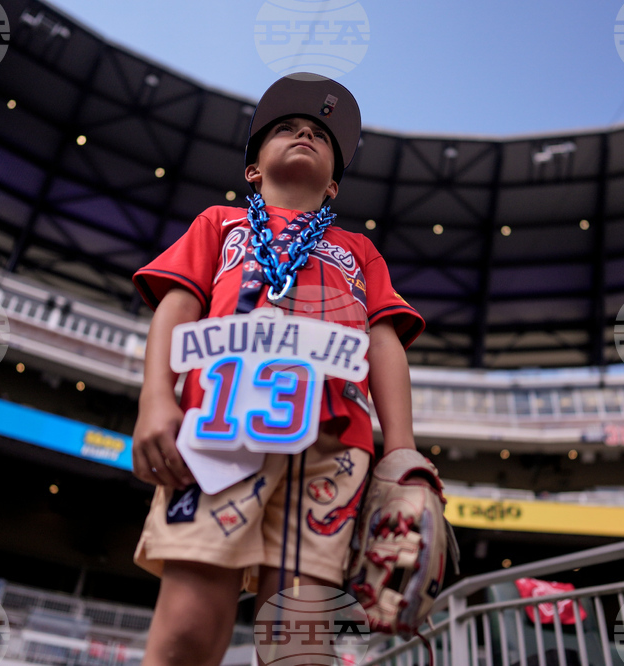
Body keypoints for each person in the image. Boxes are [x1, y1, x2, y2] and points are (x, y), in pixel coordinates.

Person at [130, 73, 426, 666]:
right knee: (188, 625)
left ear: (335, 181)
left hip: (333, 441)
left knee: (300, 641)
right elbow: (177, 304)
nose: (304, 135)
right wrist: (155, 399)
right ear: (252, 171)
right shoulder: (219, 224)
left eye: (319, 133)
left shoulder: (359, 251)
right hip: (219, 422)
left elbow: (384, 340)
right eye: (287, 129)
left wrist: (403, 450)